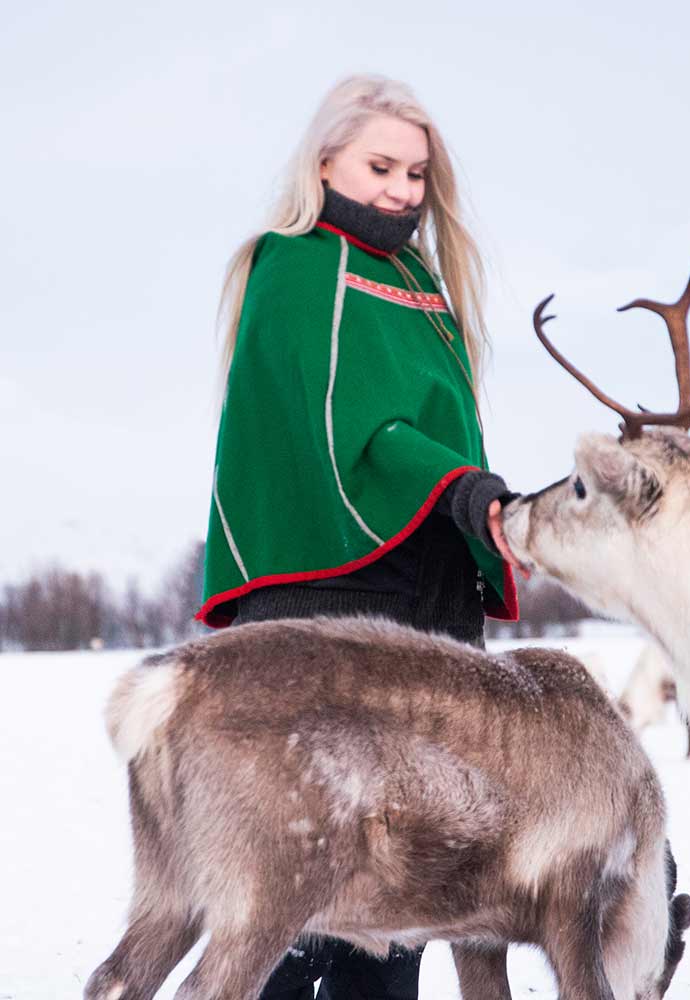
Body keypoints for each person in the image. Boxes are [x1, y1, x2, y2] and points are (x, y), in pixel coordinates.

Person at [198, 74, 522, 1000]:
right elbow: (349, 426)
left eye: (418, 174)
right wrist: (461, 489)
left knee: (402, 902)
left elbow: (428, 430)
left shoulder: (420, 282)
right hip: (330, 609)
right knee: (304, 898)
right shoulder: (295, 265)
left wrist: (482, 515)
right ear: (325, 161)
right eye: (381, 166)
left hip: (426, 606)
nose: (402, 191)